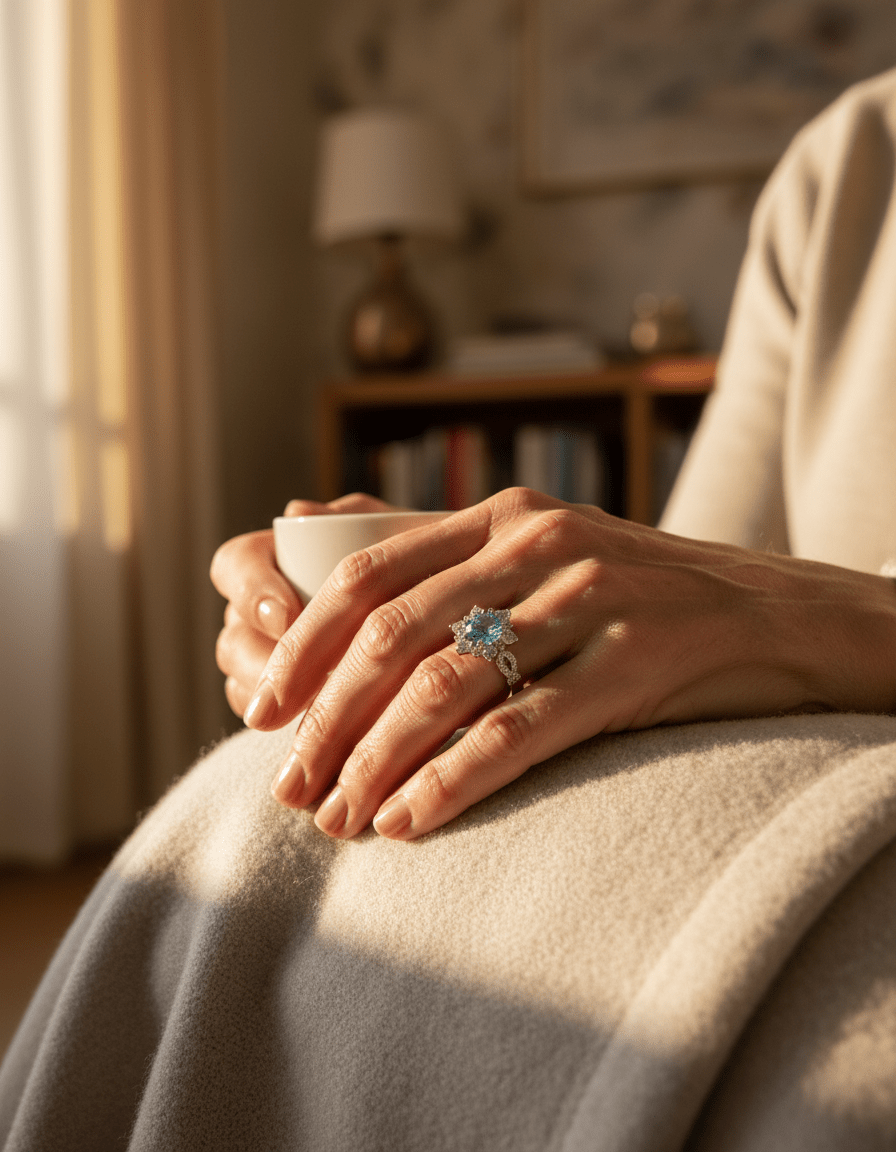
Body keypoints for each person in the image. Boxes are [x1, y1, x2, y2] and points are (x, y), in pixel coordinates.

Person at [5, 69, 896, 1152]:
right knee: (244, 812)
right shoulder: (850, 163)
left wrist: (838, 627)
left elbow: (750, 601)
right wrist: (441, 587)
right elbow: (695, 571)